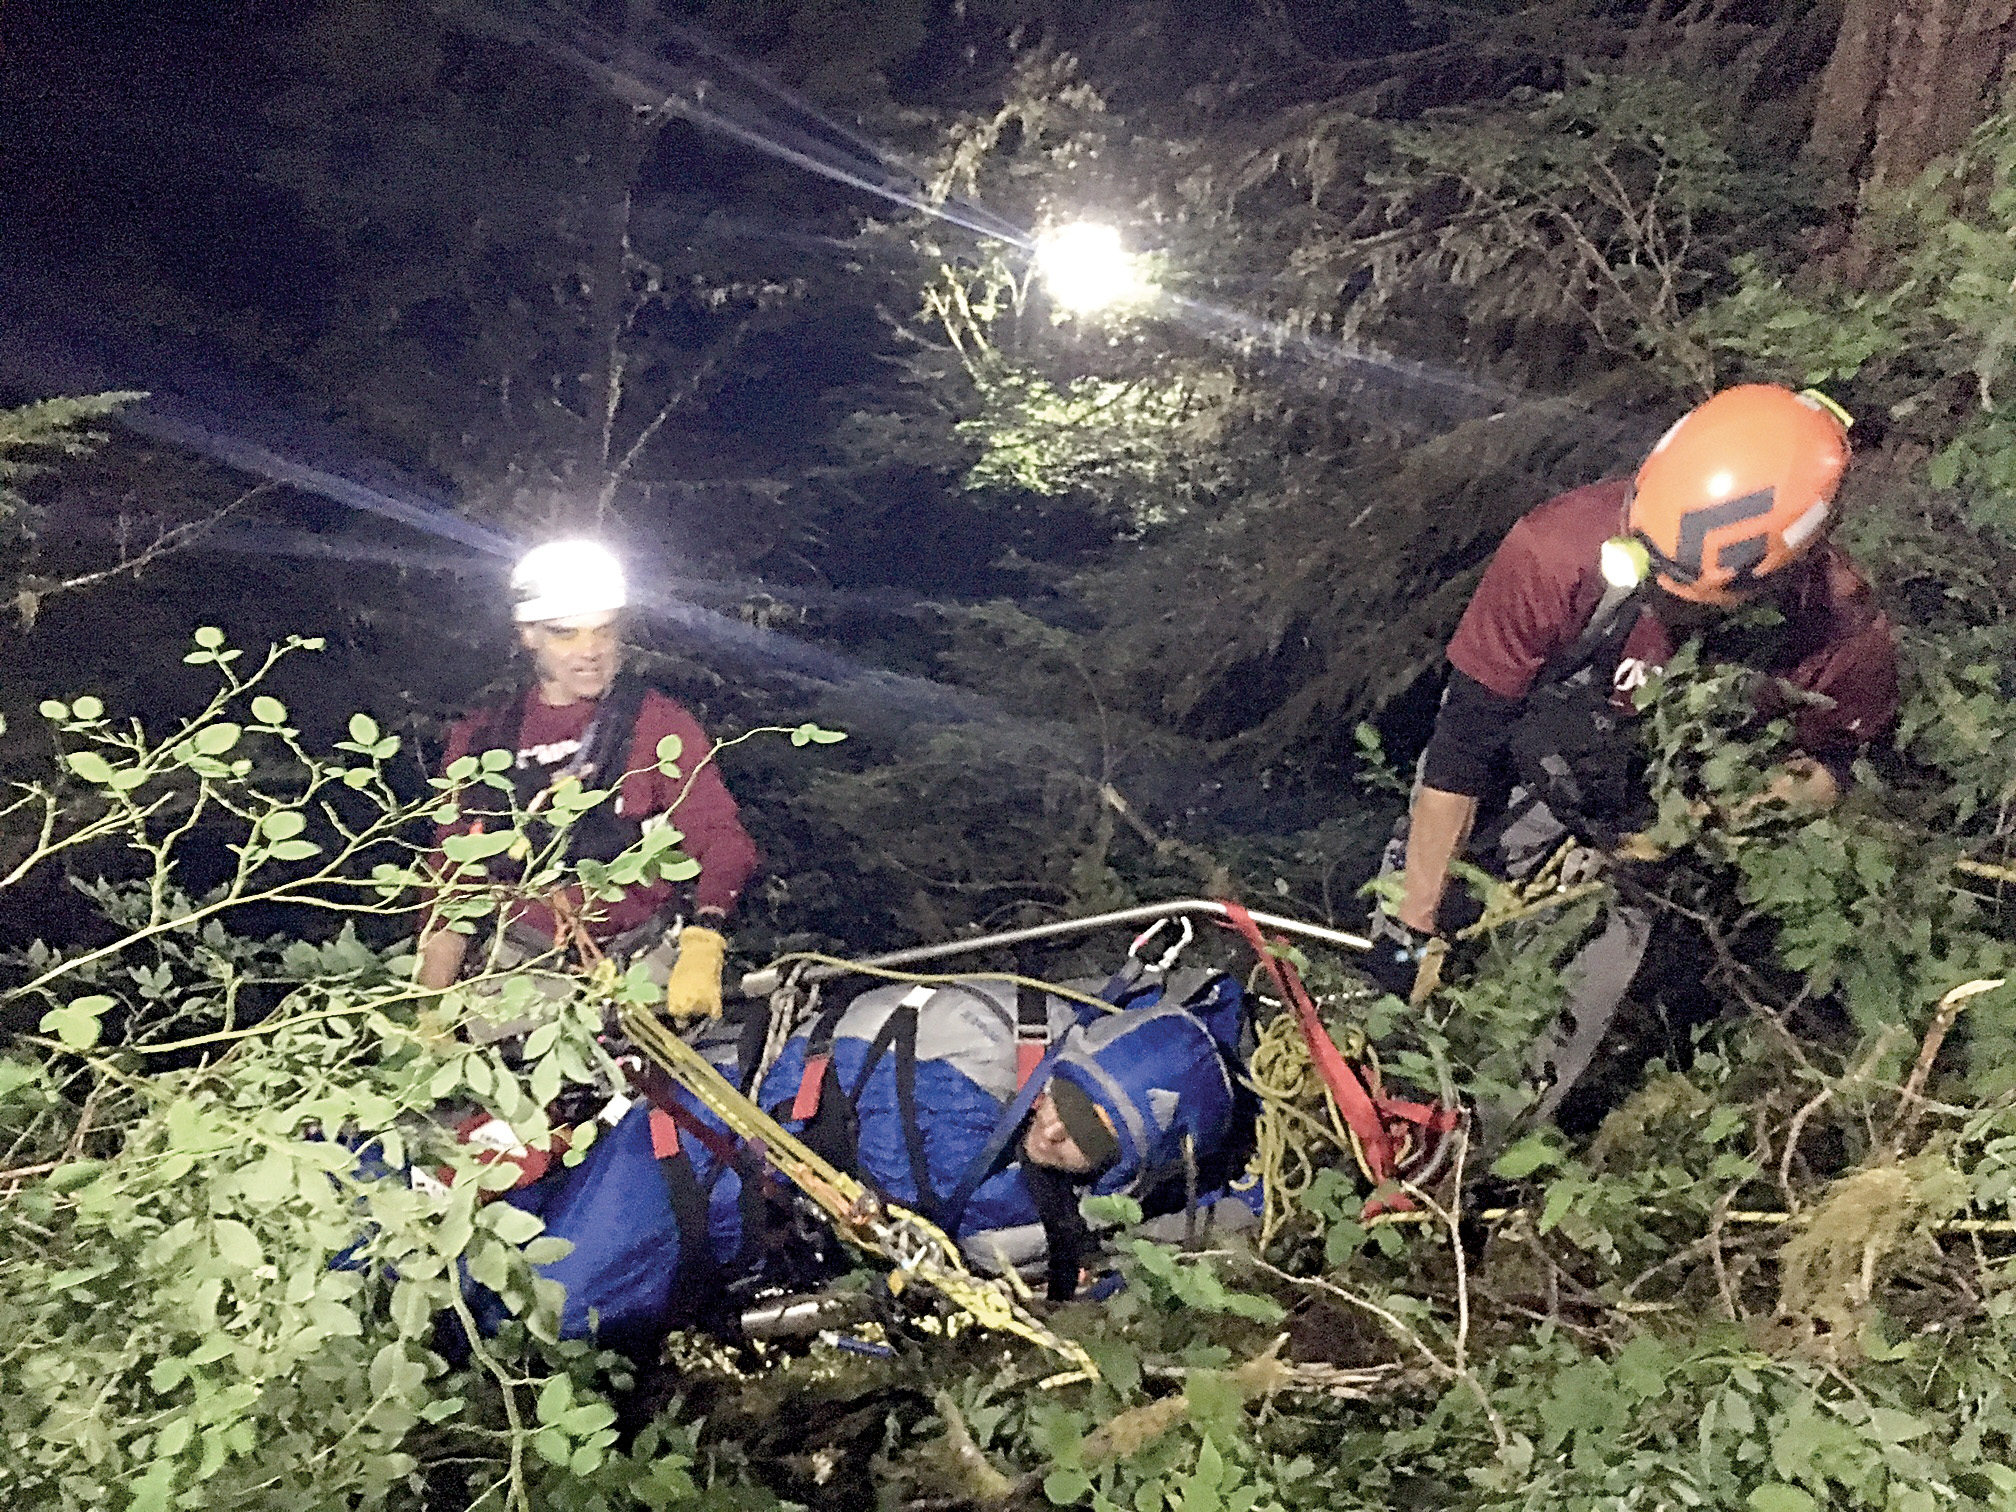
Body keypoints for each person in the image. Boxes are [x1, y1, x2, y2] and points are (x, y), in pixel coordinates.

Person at [1380, 385, 1899, 1126]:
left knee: (1533, 1056)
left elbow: (1828, 773)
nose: (1659, 602)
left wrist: (1704, 823)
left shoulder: (1838, 633)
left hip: (1645, 853)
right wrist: (1413, 921)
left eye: (1687, 601)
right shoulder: (1559, 549)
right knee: (1393, 994)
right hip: (1516, 782)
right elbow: (1462, 746)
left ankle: (1468, 1161)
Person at [462, 965, 1255, 1355]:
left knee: (548, 1296)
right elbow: (936, 1190)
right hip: (708, 1146)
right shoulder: (975, 1058)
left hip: (750, 1221)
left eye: (1093, 1139)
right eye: (1068, 1100)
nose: (1055, 1132)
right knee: (547, 1300)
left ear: (1128, 1171)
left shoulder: (1050, 1181)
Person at [415, 539, 759, 1018]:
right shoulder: (482, 740)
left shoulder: (657, 724)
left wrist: (704, 940)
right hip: (517, 970)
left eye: (603, 630)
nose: (590, 651)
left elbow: (721, 837)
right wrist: (431, 1010)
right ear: (528, 634)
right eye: (565, 634)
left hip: (637, 963)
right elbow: (454, 879)